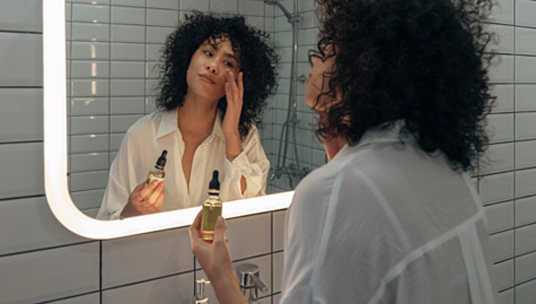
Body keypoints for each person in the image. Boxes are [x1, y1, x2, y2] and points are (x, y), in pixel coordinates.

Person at [190, 0, 499, 303]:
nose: (317, 54)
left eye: (333, 45)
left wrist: (220, 274)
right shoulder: (446, 170)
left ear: (367, 67)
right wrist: (330, 118)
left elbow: (342, 190)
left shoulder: (334, 194)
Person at [97, 13, 278, 220]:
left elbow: (254, 213)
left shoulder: (244, 136)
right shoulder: (142, 134)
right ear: (188, 57)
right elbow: (106, 220)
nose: (213, 66)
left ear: (240, 80)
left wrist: (231, 136)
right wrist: (130, 212)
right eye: (208, 53)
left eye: (228, 63)